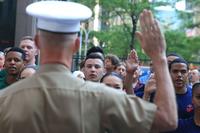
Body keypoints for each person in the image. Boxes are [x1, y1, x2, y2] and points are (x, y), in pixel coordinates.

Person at [0, 2, 177, 133]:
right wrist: (159, 57)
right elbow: (167, 119)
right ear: (77, 45)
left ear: (38, 43)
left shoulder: (5, 99)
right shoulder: (101, 97)